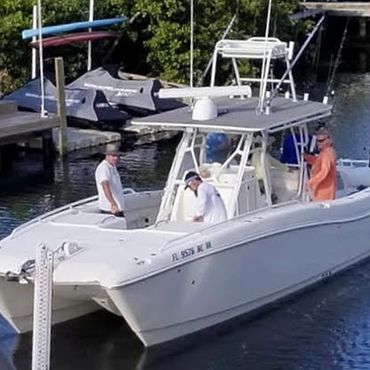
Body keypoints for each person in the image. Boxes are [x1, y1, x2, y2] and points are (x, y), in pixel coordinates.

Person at [304, 128, 337, 201]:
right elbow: (319, 162)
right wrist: (307, 158)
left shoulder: (326, 154)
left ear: (328, 140)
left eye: (321, 141)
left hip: (323, 192)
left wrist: (310, 182)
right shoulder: (328, 151)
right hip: (326, 190)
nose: (318, 143)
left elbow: (324, 171)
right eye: (317, 141)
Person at [95, 143, 125, 217]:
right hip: (110, 209)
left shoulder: (112, 166)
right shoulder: (103, 168)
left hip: (118, 208)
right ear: (107, 156)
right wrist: (113, 203)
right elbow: (105, 186)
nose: (116, 158)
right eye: (113, 156)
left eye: (117, 156)